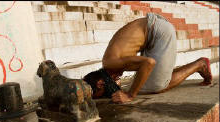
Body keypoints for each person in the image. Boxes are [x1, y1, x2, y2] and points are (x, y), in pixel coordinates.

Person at [83, 13, 212, 104]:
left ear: (100, 84)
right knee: (142, 82)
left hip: (158, 32)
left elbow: (149, 63)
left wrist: (130, 95)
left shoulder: (112, 63)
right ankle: (194, 66)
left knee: (154, 86)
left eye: (101, 94)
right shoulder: (108, 63)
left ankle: (200, 64)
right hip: (152, 29)